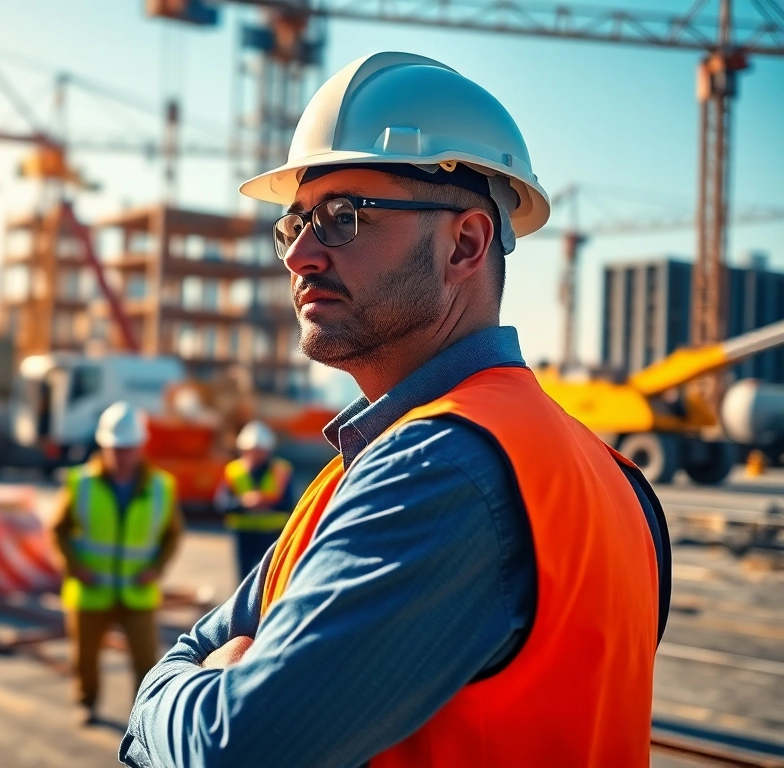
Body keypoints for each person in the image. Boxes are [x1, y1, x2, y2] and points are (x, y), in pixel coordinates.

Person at [121, 52, 671, 767]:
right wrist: (204, 683)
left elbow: (231, 749)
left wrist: (158, 694)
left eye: (342, 217)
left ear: (466, 244)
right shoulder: (610, 478)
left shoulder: (440, 468)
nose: (299, 256)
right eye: (293, 225)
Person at [50, 401, 184, 727]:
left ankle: (143, 719)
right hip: (91, 589)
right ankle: (86, 702)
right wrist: (73, 566)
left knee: (145, 660)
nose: (121, 455)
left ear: (140, 447)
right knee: (84, 656)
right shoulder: (80, 482)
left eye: (127, 448)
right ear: (103, 446)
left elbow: (172, 534)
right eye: (115, 448)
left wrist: (156, 568)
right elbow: (58, 530)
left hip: (137, 591)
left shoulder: (160, 487)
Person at [213, 421, 294, 581]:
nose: (255, 455)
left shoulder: (281, 470)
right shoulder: (234, 471)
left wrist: (265, 503)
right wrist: (243, 503)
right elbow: (222, 504)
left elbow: (289, 504)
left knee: (270, 579)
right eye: (251, 451)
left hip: (272, 534)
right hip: (243, 534)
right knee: (244, 579)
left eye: (259, 451)